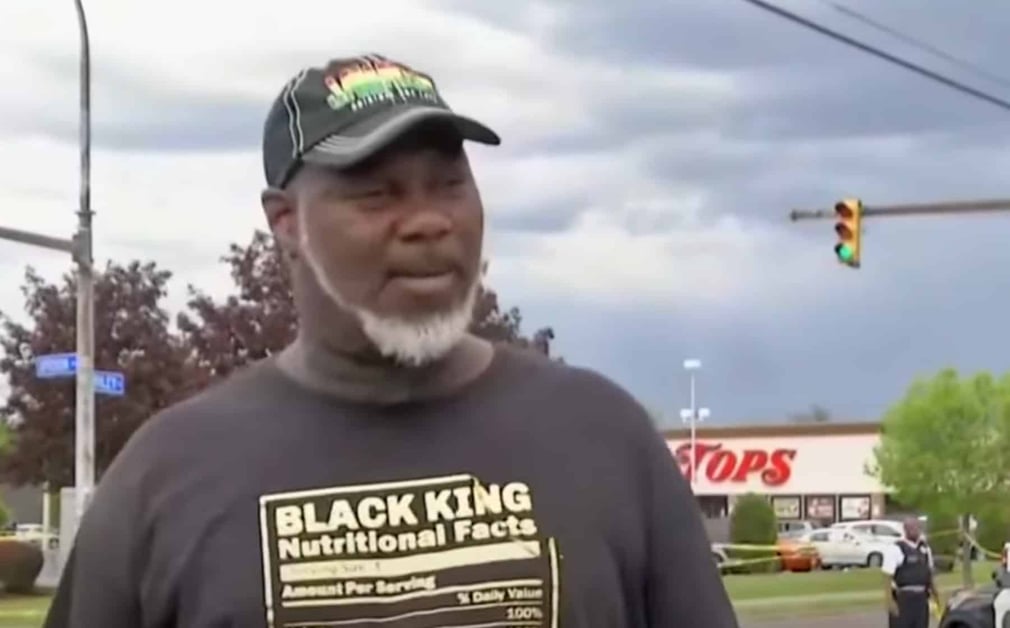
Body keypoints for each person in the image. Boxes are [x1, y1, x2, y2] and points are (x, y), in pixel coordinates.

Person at [42, 54, 738, 627]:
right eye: (378, 194)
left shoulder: (604, 438)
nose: (429, 221)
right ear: (286, 222)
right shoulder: (165, 477)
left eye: (449, 184)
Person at [881, 516, 940, 628]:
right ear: (905, 529)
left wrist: (936, 596)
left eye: (916, 527)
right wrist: (889, 601)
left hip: (921, 599)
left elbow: (930, 574)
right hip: (903, 599)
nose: (914, 530)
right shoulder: (896, 548)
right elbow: (887, 575)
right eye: (910, 528)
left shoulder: (925, 549)